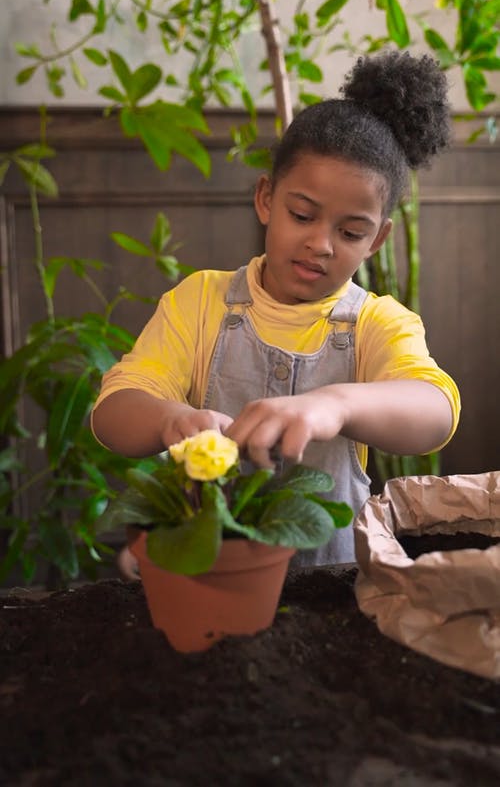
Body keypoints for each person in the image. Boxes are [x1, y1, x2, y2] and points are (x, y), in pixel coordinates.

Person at [92, 50, 460, 568]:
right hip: (212, 574)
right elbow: (113, 413)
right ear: (266, 198)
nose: (321, 244)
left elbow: (435, 410)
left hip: (332, 589)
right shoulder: (200, 302)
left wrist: (334, 405)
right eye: (302, 214)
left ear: (377, 240)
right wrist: (170, 419)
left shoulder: (379, 323)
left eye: (350, 232)